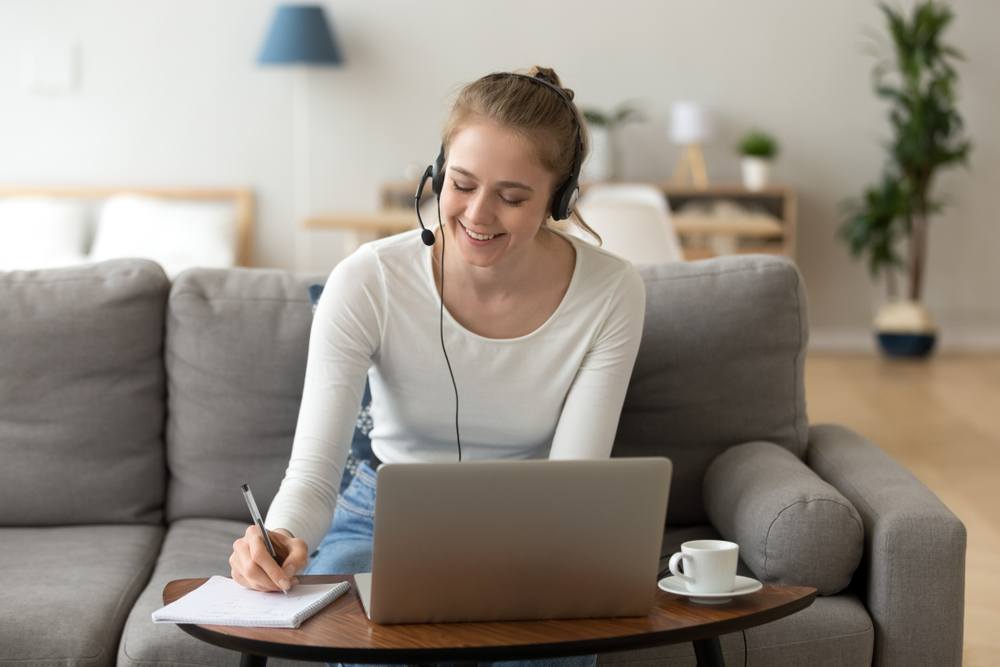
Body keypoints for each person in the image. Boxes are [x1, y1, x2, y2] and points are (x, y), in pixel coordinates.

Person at [228, 66, 646, 667]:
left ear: (560, 198)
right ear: (436, 173)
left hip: (534, 527)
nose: (478, 215)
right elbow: (314, 476)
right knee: (361, 648)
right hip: (382, 517)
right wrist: (283, 537)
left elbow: (572, 486)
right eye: (461, 183)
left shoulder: (610, 290)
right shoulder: (367, 280)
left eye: (512, 196)